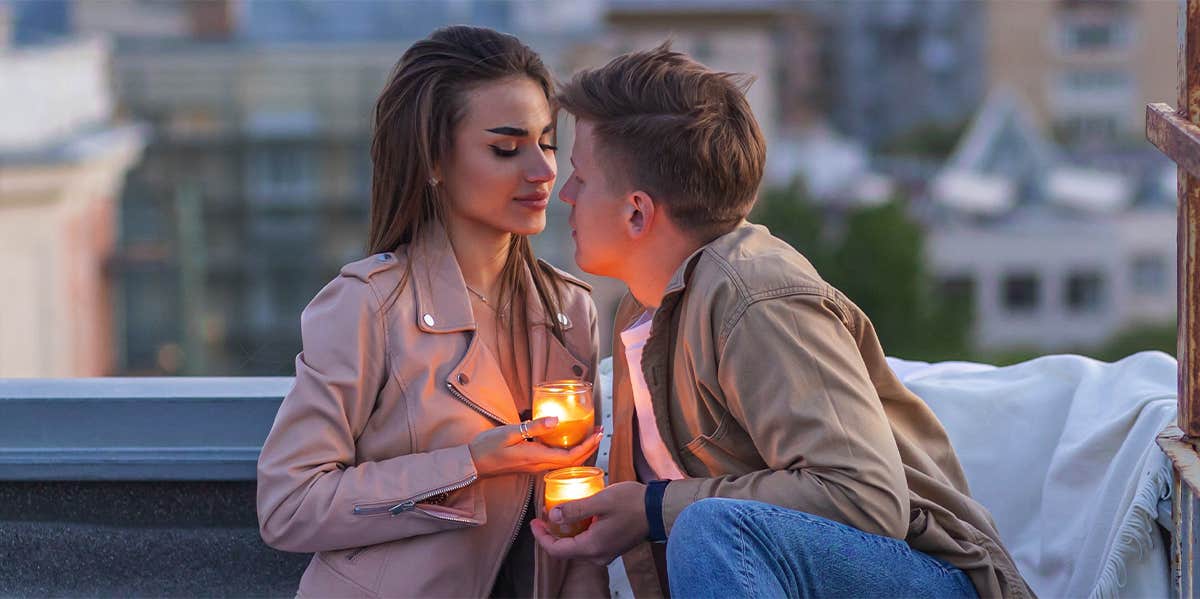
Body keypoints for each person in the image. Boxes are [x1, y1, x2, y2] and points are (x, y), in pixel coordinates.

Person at [531, 43, 1034, 599]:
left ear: (637, 211)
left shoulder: (755, 298)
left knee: (709, 529)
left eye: (580, 176)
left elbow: (864, 499)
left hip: (925, 578)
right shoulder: (643, 310)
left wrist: (655, 508)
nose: (564, 195)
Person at [256, 26, 609, 598]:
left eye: (547, 142)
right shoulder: (369, 305)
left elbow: (575, 526)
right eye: (505, 148)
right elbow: (288, 505)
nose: (544, 171)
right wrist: (467, 464)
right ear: (434, 161)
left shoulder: (569, 309)